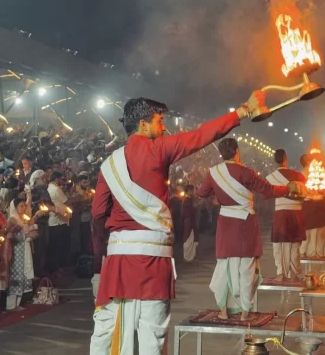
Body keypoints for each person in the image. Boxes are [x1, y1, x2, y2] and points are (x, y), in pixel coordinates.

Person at [89, 92, 266, 355]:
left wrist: (103, 251)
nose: (163, 127)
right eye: (160, 121)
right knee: (153, 332)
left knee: (107, 329)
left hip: (117, 261)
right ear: (143, 124)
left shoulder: (108, 165)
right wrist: (241, 112)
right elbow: (201, 135)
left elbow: (97, 213)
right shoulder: (159, 149)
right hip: (153, 260)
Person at [198, 138, 303, 320]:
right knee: (247, 267)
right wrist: (288, 188)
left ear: (222, 154)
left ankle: (224, 311)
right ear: (237, 151)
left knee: (224, 266)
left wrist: (221, 195)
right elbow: (268, 190)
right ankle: (245, 312)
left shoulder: (213, 173)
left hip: (226, 224)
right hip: (246, 223)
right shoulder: (246, 172)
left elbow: (202, 193)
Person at [266, 149, 306, 282]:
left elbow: (266, 194)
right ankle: (295, 272)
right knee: (295, 244)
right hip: (296, 213)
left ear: (275, 160)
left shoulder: (270, 177)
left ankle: (281, 272)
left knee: (279, 244)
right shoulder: (297, 175)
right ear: (285, 159)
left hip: (281, 213)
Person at [299, 153, 325, 258]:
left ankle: (310, 253)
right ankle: (314, 254)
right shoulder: (304, 174)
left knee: (314, 232)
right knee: (315, 232)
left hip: (317, 205)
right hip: (312, 205)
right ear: (308, 162)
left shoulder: (316, 172)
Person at [182, 184, 198, 262]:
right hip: (189, 222)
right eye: (191, 190)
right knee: (188, 239)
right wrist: (195, 208)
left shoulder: (189, 199)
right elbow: (187, 212)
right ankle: (187, 257)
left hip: (191, 221)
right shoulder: (187, 200)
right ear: (188, 191)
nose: (193, 192)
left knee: (191, 238)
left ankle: (190, 257)